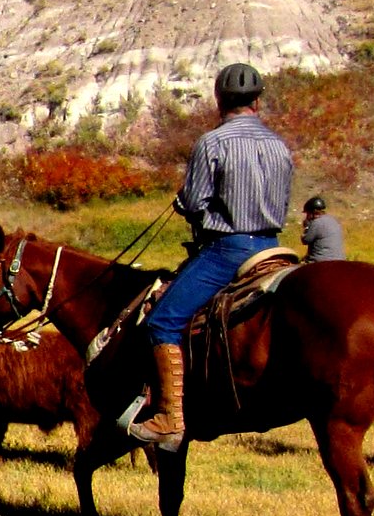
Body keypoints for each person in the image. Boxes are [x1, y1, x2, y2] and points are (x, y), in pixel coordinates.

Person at [131, 63, 294, 449]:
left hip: (229, 250)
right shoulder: (279, 145)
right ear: (257, 102)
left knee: (163, 321)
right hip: (274, 247)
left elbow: (194, 202)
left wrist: (185, 204)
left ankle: (170, 418)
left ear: (219, 101)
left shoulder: (213, 142)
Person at [300, 196, 345, 262]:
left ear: (313, 212)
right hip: (339, 260)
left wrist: (306, 228)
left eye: (308, 213)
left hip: (320, 260)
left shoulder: (316, 223)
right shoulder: (333, 220)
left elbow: (305, 240)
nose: (307, 216)